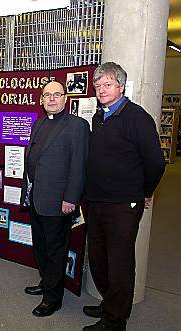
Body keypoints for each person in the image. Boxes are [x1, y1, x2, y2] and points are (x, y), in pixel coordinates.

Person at [83, 62, 165, 331]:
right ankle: (110, 303)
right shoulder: (99, 116)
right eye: (97, 85)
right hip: (95, 201)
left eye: (107, 84)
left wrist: (144, 192)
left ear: (121, 86)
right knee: (98, 257)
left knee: (119, 262)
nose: (101, 89)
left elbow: (155, 162)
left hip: (123, 205)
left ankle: (114, 321)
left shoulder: (137, 117)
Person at [20, 80, 90, 317]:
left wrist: (71, 197)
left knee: (55, 250)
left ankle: (53, 298)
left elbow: (79, 165)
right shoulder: (39, 123)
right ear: (41, 100)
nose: (51, 99)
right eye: (47, 95)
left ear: (65, 98)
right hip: (37, 198)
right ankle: (46, 282)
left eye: (57, 94)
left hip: (59, 201)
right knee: (40, 246)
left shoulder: (77, 125)